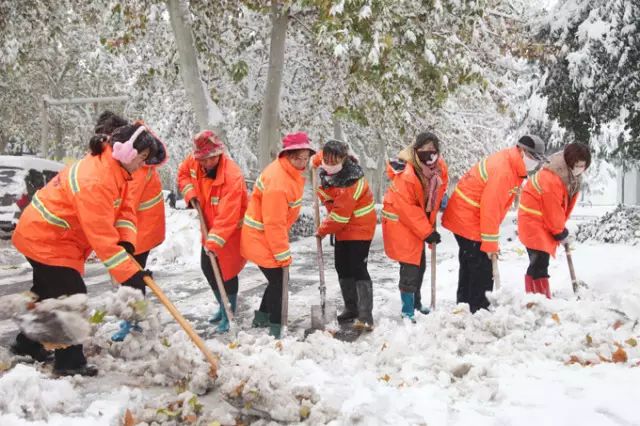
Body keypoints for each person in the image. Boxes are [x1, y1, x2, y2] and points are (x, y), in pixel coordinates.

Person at [11, 122, 163, 376]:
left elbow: (125, 209)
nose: (142, 164)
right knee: (72, 296)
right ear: (125, 151)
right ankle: (69, 362)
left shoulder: (118, 171)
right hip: (47, 237)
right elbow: (102, 237)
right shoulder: (97, 179)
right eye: (142, 157)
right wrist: (131, 274)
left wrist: (126, 243)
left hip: (54, 237)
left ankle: (26, 345)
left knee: (46, 293)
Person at [442, 135, 547, 313]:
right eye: (533, 157)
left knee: (470, 262)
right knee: (481, 266)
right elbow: (491, 208)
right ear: (521, 150)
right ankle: (479, 309)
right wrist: (490, 244)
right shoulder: (505, 171)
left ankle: (465, 305)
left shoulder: (511, 164)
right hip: (468, 218)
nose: (535, 163)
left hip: (466, 216)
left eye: (538, 159)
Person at [92, 112, 168, 342]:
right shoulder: (130, 155)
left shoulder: (135, 164)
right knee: (131, 277)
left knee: (133, 277)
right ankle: (135, 320)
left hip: (140, 229)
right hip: (136, 225)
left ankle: (135, 323)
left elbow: (125, 203)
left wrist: (109, 234)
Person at [240, 132, 315, 338]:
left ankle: (262, 317)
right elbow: (274, 223)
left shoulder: (287, 171)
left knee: (277, 280)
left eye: (305, 158)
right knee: (280, 280)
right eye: (298, 158)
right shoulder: (279, 181)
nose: (302, 163)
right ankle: (275, 326)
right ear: (287, 155)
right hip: (261, 236)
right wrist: (283, 254)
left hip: (264, 236)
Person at [177, 130, 248, 333]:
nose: (206, 163)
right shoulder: (195, 161)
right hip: (209, 227)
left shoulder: (231, 176)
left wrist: (214, 243)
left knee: (227, 271)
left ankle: (230, 313)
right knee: (207, 267)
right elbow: (182, 175)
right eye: (203, 159)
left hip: (231, 231)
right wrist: (190, 193)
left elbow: (228, 216)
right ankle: (222, 306)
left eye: (211, 158)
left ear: (219, 153)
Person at [381, 132, 449, 321]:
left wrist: (437, 207)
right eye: (424, 150)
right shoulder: (406, 175)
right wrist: (427, 232)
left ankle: (417, 302)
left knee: (420, 266)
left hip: (417, 223)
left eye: (433, 150)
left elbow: (436, 192)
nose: (429, 154)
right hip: (401, 224)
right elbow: (407, 208)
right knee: (410, 268)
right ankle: (407, 309)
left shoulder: (437, 169)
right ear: (415, 150)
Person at [311, 140, 376, 330]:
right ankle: (351, 308)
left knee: (357, 267)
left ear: (344, 159)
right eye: (326, 161)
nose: (329, 165)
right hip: (342, 229)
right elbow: (316, 159)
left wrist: (321, 231)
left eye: (334, 161)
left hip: (360, 227)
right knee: (342, 266)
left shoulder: (352, 180)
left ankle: (365, 315)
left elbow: (340, 215)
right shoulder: (324, 163)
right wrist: (313, 163)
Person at [518, 143, 591, 298]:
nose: (580, 168)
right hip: (534, 223)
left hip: (541, 222)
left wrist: (560, 229)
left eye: (583, 165)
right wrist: (560, 232)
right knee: (539, 264)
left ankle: (535, 298)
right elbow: (553, 209)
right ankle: (540, 298)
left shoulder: (568, 176)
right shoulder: (551, 178)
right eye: (577, 164)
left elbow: (561, 208)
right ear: (569, 162)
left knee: (538, 264)